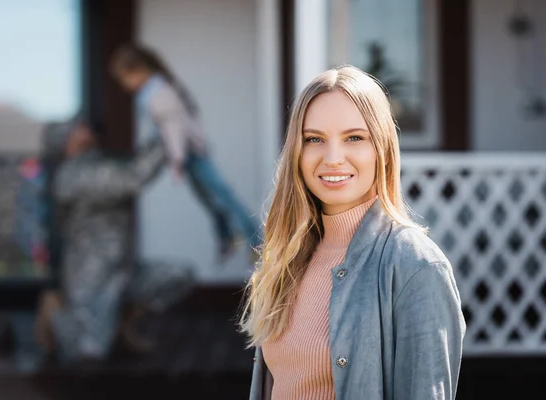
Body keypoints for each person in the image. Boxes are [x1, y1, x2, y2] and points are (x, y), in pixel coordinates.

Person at [239, 65, 466, 399]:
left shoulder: (415, 266)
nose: (333, 158)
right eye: (314, 139)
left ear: (382, 149)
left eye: (354, 138)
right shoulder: (289, 254)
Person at [34, 117, 195, 363]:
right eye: (79, 130)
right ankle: (56, 314)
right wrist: (168, 134)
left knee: (177, 275)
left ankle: (123, 321)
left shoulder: (97, 165)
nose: (88, 131)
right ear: (66, 141)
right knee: (90, 352)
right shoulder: (74, 174)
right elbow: (132, 178)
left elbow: (128, 170)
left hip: (123, 273)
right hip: (92, 281)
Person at [109, 44, 262, 263]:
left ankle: (255, 241)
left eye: (125, 79)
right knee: (210, 198)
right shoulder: (153, 90)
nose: (125, 86)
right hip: (188, 152)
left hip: (191, 152)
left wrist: (177, 159)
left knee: (222, 195)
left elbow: (173, 128)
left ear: (138, 71)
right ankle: (227, 237)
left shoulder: (157, 92)